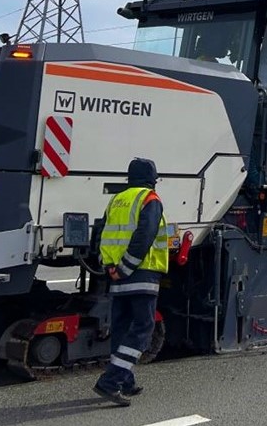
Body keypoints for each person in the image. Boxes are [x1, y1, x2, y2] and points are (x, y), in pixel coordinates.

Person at [92, 157, 169, 406]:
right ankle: (110, 382)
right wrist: (126, 267)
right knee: (143, 329)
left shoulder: (117, 200)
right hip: (141, 273)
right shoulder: (150, 199)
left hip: (117, 275)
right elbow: (144, 236)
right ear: (152, 180)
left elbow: (100, 233)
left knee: (122, 328)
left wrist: (111, 267)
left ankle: (126, 381)